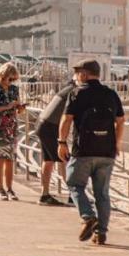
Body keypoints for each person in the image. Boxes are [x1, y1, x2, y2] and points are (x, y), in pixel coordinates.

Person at [58, 59, 125, 245]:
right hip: (107, 152)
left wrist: (61, 142)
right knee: (102, 193)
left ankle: (88, 217)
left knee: (74, 183)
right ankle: (101, 233)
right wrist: (117, 144)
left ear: (85, 74)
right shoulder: (110, 94)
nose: (77, 76)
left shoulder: (76, 93)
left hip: (83, 151)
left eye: (78, 72)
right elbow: (121, 121)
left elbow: (66, 120)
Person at [33, 77, 78, 207]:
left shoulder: (67, 90)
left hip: (43, 124)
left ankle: (45, 195)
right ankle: (73, 195)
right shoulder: (74, 92)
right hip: (50, 126)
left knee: (48, 161)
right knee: (65, 160)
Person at [0, 62, 26, 200]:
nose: (12, 81)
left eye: (14, 79)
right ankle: (0, 189)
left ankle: (10, 189)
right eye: (10, 78)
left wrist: (20, 108)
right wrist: (6, 106)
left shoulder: (14, 89)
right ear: (3, 76)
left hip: (11, 128)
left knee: (10, 160)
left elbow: (17, 108)